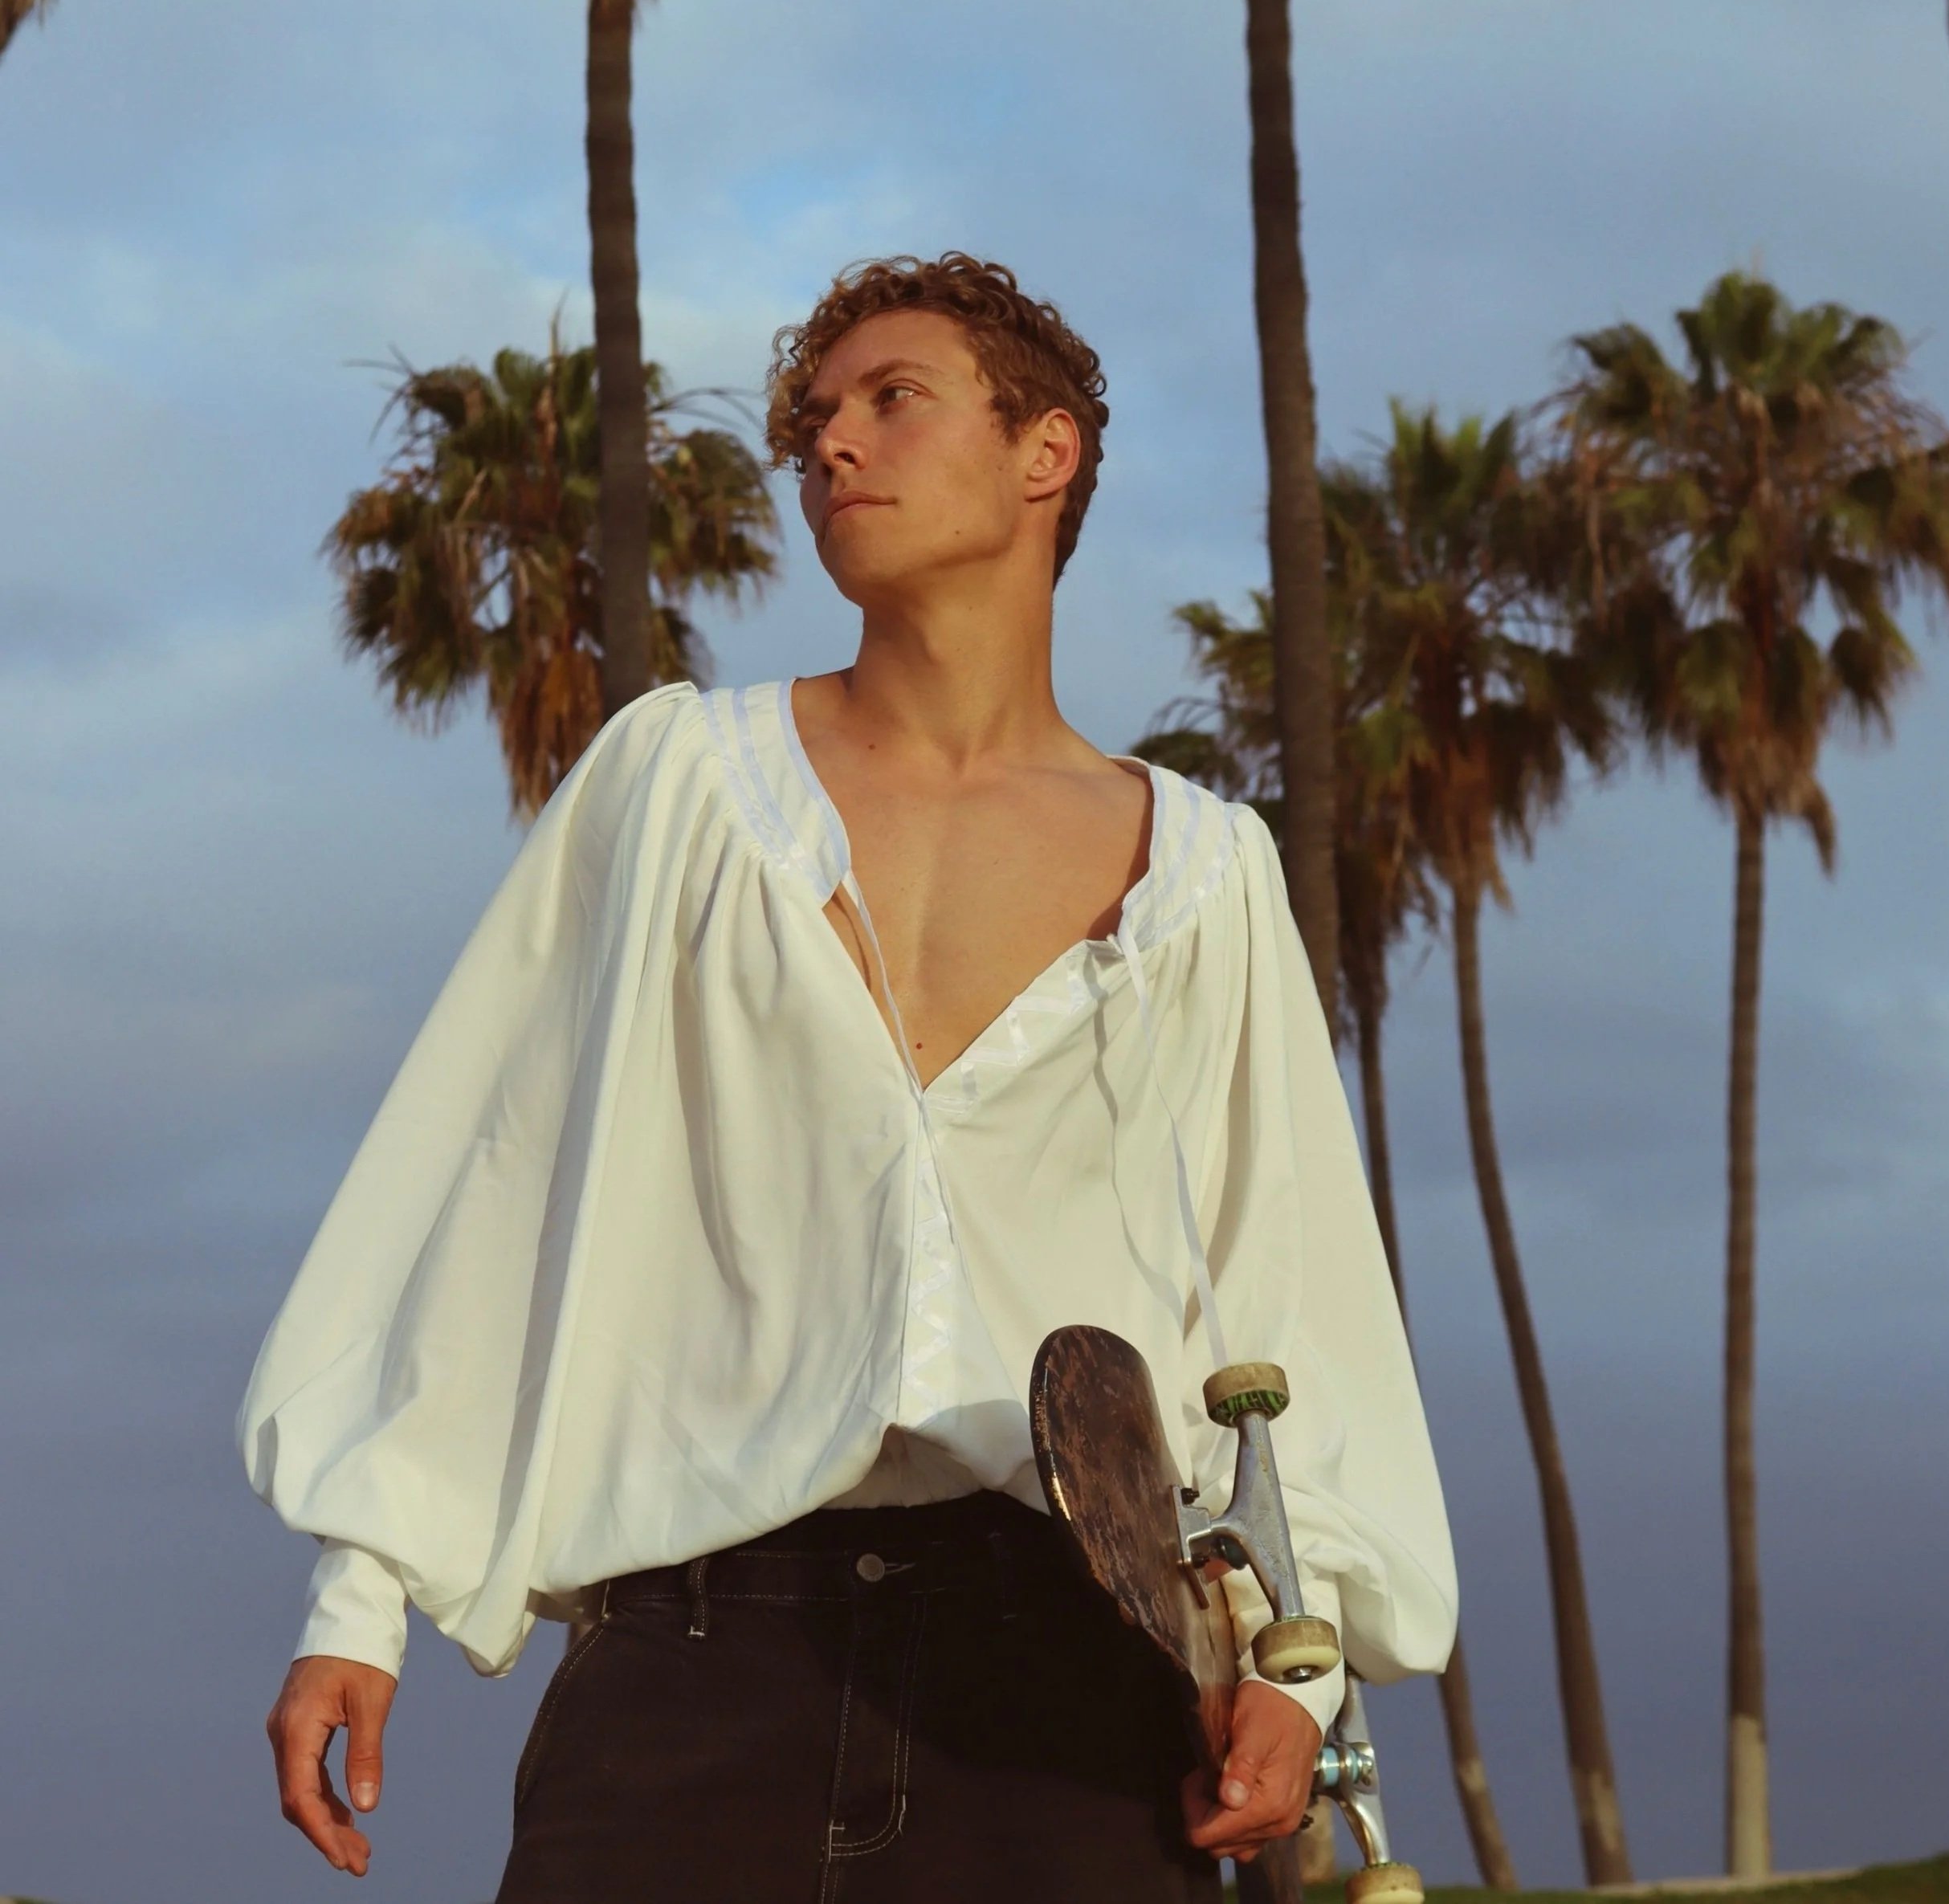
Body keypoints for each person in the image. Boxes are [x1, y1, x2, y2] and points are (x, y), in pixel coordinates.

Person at [243, 251, 1456, 1900]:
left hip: (1072, 1689)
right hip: (690, 1658)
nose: (829, 445)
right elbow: (487, 1170)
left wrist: (1301, 1674)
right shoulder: (677, 784)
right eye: (812, 417)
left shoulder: (1202, 871)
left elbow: (1282, 1294)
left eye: (893, 399)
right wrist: (358, 1591)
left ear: (1048, 451)